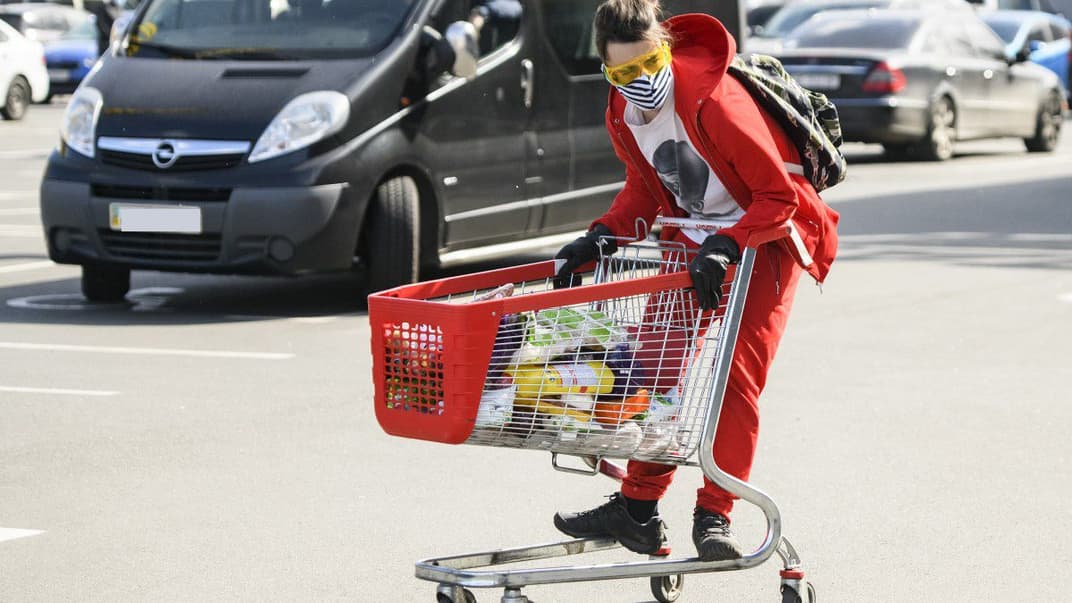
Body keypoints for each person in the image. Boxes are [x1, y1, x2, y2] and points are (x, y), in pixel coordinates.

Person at [551, 0, 839, 562]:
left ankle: (715, 516)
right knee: (656, 366)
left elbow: (778, 196)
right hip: (696, 240)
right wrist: (601, 235)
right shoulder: (623, 112)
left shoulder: (716, 100)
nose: (641, 81)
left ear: (665, 48)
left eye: (649, 64)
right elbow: (646, 187)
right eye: (624, 73)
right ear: (607, 71)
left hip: (765, 241)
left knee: (734, 380)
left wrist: (729, 244)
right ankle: (637, 509)